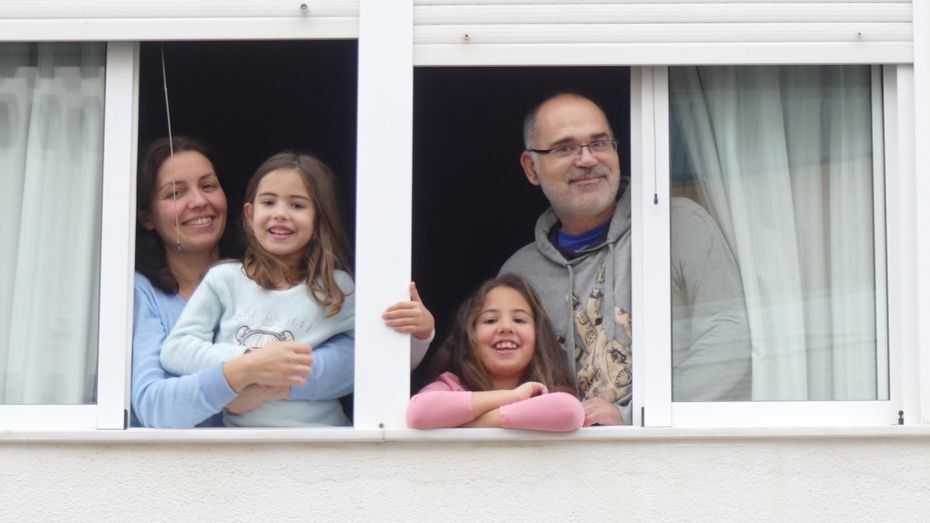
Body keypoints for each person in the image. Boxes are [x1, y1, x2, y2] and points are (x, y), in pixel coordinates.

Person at [501, 93, 751, 426]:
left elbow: (730, 339)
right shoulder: (520, 274)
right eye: (565, 148)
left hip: (674, 447)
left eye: (599, 143)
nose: (587, 159)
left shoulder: (676, 226)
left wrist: (634, 418)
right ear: (531, 168)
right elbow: (497, 379)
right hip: (564, 454)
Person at [132, 137, 354, 428]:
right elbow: (154, 406)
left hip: (324, 444)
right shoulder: (144, 292)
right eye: (175, 193)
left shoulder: (329, 286)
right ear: (146, 216)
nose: (199, 201)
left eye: (208, 186)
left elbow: (363, 357)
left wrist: (276, 385)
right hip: (226, 453)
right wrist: (246, 367)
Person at [406, 274, 584, 432]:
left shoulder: (543, 390)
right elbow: (418, 412)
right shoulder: (452, 385)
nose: (506, 327)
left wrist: (465, 424)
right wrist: (513, 397)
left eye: (519, 320)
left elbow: (569, 410)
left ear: (539, 336)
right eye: (490, 320)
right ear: (470, 335)